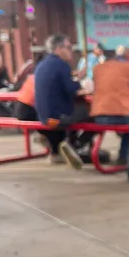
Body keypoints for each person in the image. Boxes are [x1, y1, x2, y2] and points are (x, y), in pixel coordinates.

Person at [34, 34, 90, 168]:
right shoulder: (62, 64)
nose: (71, 51)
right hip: (58, 118)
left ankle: (58, 150)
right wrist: (85, 88)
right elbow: (72, 89)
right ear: (59, 49)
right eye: (69, 47)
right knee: (92, 113)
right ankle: (75, 145)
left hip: (43, 117)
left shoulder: (41, 65)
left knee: (73, 110)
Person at [90, 47, 129, 163]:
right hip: (124, 116)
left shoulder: (97, 69)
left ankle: (123, 156)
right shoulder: (128, 68)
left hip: (99, 116)